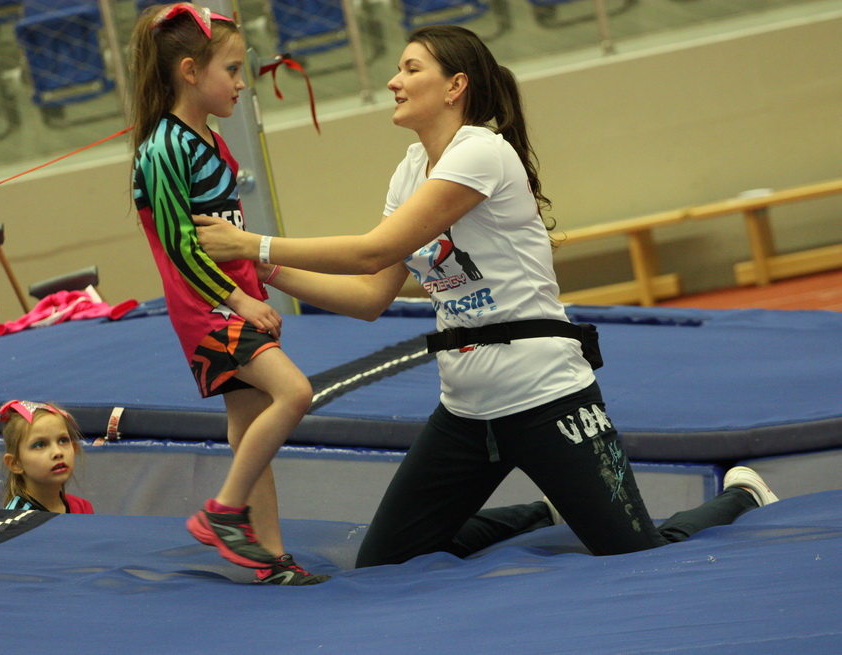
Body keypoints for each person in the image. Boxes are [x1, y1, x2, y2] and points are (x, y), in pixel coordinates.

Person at [194, 25, 779, 568]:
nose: (393, 82)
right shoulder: (410, 171)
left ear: (456, 87)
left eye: (411, 69)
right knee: (384, 563)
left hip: (548, 398)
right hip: (467, 413)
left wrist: (253, 243)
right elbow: (371, 295)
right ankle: (539, 514)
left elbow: (373, 251)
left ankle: (742, 496)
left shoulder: (481, 152)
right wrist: (264, 271)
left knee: (638, 553)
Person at [127, 3, 328, 585]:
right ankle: (223, 511)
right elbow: (180, 246)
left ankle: (269, 558)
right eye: (233, 70)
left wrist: (255, 280)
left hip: (228, 298)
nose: (243, 83)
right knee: (294, 393)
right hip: (207, 309)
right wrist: (240, 301)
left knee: (251, 424)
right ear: (190, 72)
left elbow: (226, 234)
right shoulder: (164, 148)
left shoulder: (206, 139)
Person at [0, 400, 94, 514]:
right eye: (40, 445)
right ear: (15, 463)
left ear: (74, 449)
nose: (57, 452)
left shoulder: (82, 508)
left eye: (63, 441)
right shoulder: (16, 518)